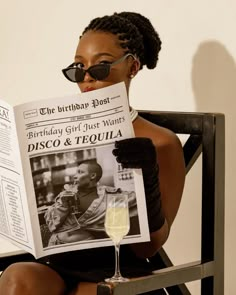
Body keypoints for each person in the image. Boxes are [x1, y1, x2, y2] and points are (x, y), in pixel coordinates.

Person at [0, 11, 185, 295]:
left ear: (132, 67)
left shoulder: (161, 141)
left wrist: (147, 175)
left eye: (101, 66)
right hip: (57, 263)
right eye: (78, 67)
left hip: (119, 269)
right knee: (17, 278)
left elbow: (150, 246)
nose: (86, 78)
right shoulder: (53, 131)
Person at [44, 160, 137, 245]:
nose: (75, 176)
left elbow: (136, 199)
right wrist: (63, 205)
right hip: (57, 245)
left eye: (80, 172)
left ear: (92, 176)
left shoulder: (108, 196)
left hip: (85, 247)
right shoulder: (65, 195)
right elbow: (51, 225)